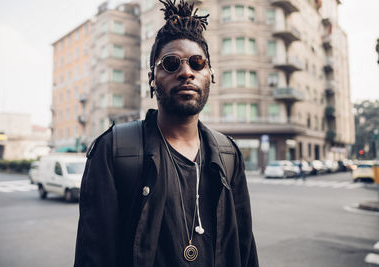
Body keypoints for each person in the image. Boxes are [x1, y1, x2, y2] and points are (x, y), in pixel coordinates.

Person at [74, 1, 258, 266]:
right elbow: (93, 257)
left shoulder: (228, 154)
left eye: (197, 63)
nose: (186, 72)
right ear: (152, 77)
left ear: (211, 75)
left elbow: (246, 251)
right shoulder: (113, 150)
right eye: (171, 64)